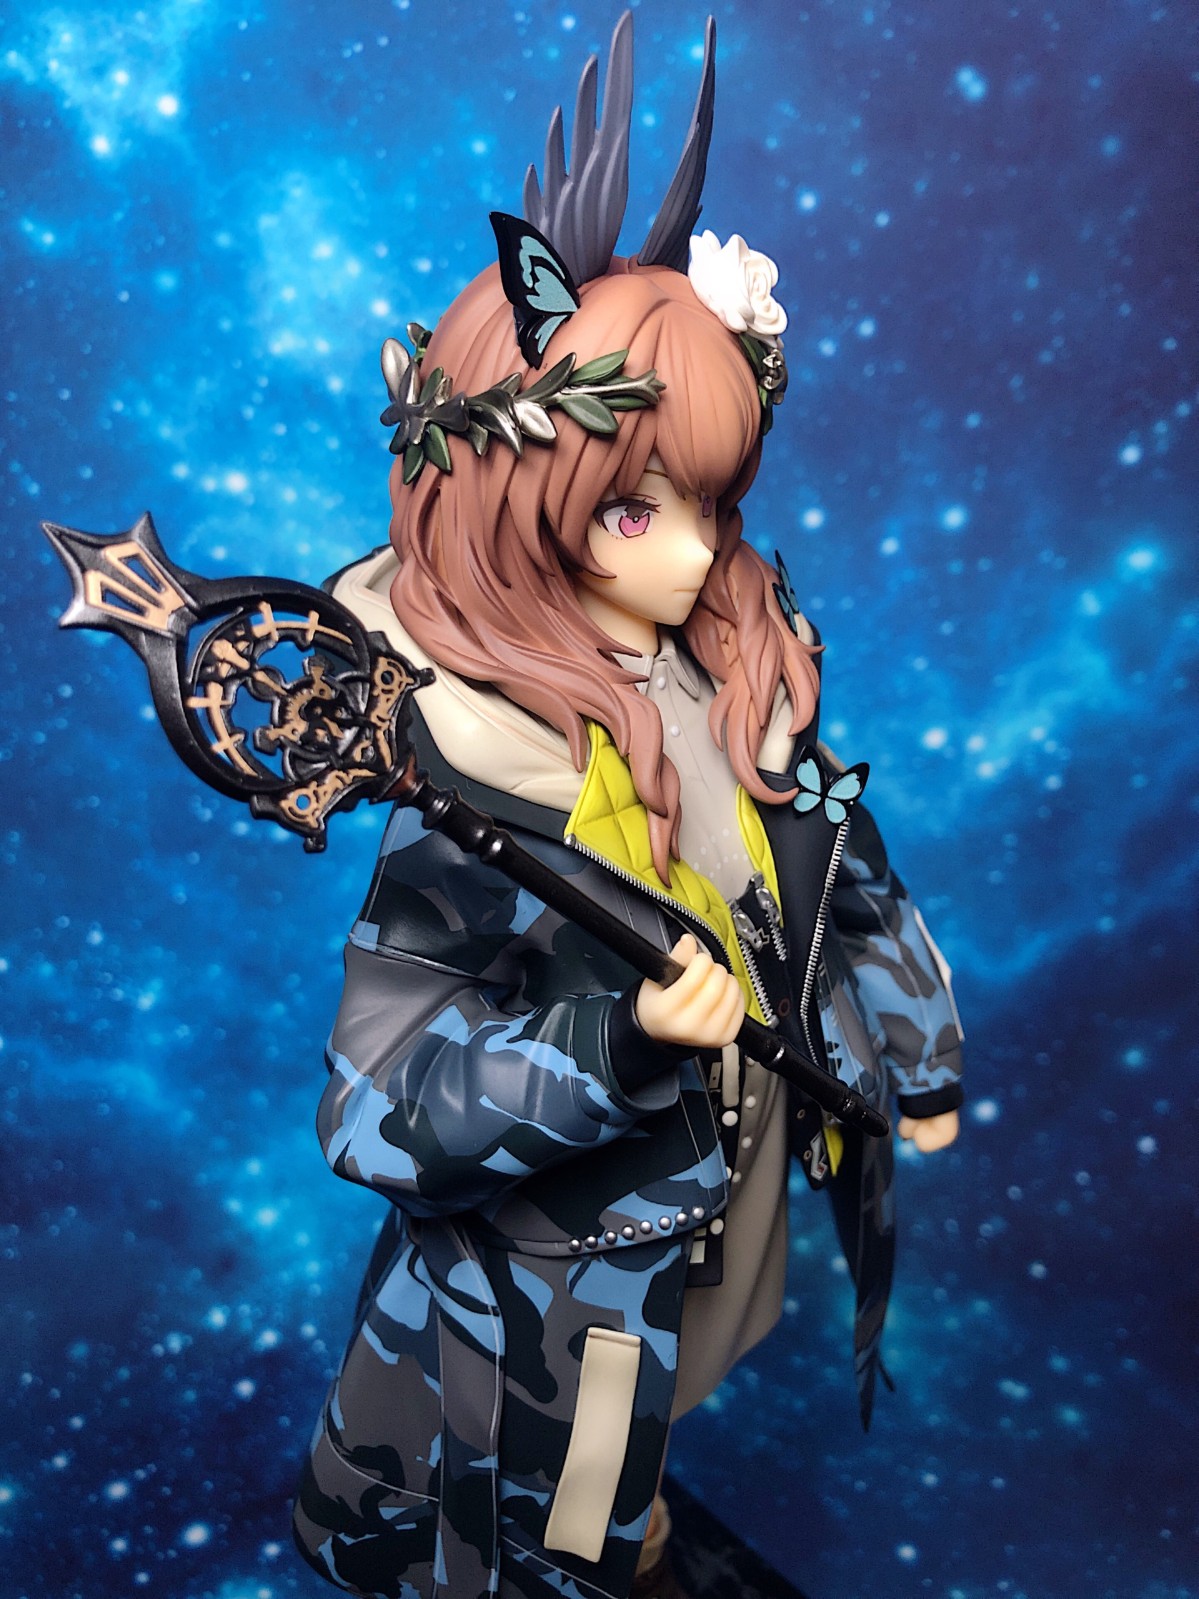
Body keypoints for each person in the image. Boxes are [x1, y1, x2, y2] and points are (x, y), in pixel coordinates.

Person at [291, 15, 964, 1599]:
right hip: (570, 1267)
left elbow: (844, 877)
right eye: (635, 509)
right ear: (518, 494)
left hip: (729, 1189)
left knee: (666, 1407)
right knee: (569, 1513)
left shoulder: (739, 677)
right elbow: (375, 1107)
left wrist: (917, 1056)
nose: (696, 548)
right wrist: (615, 1043)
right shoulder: (471, 774)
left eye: (711, 499)